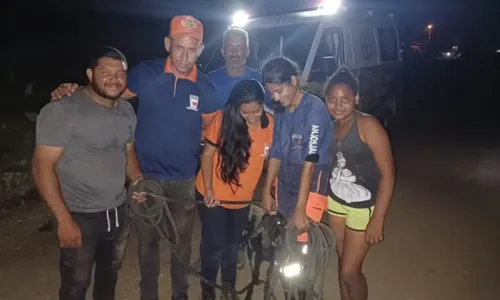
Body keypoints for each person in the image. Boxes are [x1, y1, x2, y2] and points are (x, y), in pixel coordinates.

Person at [49, 15, 220, 300]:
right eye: (179, 47)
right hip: (146, 178)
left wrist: (207, 176)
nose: (184, 55)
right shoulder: (146, 73)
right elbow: (106, 94)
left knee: (181, 245)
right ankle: (148, 295)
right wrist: (73, 91)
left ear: (201, 49)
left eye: (192, 49)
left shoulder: (206, 89)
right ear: (168, 43)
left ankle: (180, 294)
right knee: (148, 247)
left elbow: (211, 134)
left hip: (183, 180)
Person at [32, 46, 144, 300]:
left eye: (120, 73)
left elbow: (127, 152)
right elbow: (42, 167)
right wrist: (63, 220)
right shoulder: (62, 110)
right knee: (75, 285)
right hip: (79, 214)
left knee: (109, 279)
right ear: (90, 74)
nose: (114, 79)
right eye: (105, 72)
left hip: (117, 212)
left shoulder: (126, 111)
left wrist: (138, 181)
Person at [195, 79, 274, 300]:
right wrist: (209, 188)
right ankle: (208, 289)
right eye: (245, 112)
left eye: (256, 111)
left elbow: (274, 161)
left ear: (263, 105)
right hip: (212, 195)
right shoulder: (222, 120)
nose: (251, 117)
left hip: (242, 199)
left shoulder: (271, 126)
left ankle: (228, 286)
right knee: (214, 245)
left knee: (233, 244)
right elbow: (208, 154)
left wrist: (271, 192)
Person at [324, 67, 395, 300]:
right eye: (332, 99)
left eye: (345, 99)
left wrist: (378, 220)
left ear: (356, 98)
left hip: (362, 205)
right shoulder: (331, 126)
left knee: (350, 270)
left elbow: (388, 175)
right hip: (335, 201)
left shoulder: (368, 125)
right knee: (342, 261)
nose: (338, 105)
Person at [260, 57, 333, 231]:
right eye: (271, 93)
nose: (275, 97)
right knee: (283, 228)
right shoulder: (281, 111)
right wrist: (266, 189)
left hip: (312, 176)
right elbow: (276, 152)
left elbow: (310, 162)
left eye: (279, 91)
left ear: (293, 81)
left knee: (303, 232)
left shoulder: (315, 110)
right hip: (286, 174)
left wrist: (301, 208)